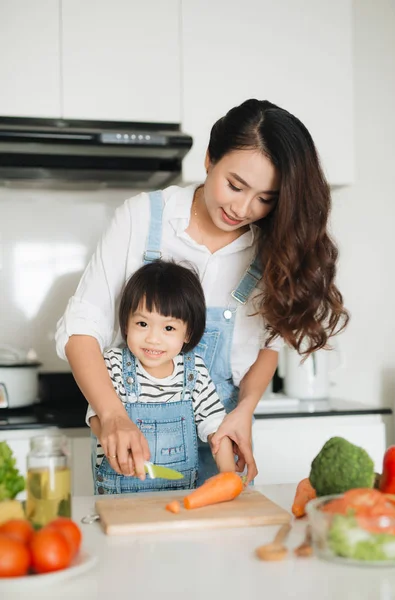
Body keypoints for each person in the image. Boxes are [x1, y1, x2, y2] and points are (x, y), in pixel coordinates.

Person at [56, 98, 349, 486]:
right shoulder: (141, 218)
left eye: (266, 198)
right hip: (133, 450)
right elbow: (81, 328)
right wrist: (112, 415)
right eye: (235, 185)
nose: (244, 208)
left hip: (221, 444)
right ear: (210, 158)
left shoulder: (273, 249)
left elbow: (267, 347)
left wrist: (244, 410)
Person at [87, 260, 235, 493]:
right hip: (118, 499)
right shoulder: (113, 362)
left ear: (188, 332)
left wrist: (229, 476)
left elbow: (216, 427)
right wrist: (116, 445)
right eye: (143, 323)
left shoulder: (194, 370)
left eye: (168, 328)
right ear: (126, 324)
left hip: (177, 497)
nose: (153, 339)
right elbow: (97, 417)